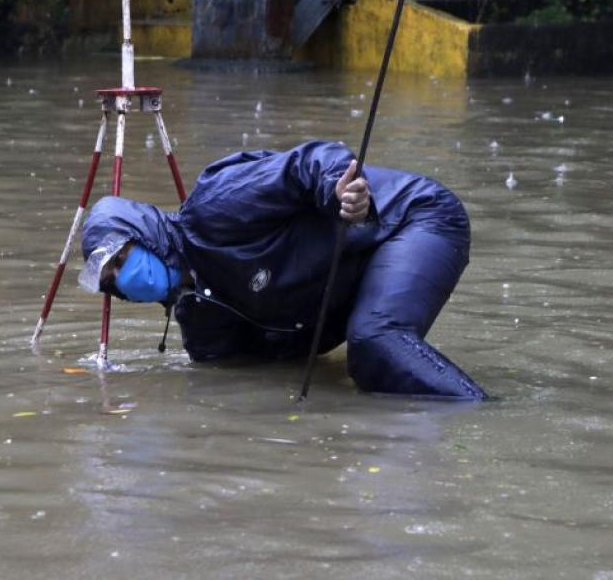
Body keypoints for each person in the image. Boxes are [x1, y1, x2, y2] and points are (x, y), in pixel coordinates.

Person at [77, 140, 486, 398]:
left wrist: (339, 193)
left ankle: (483, 417)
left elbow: (306, 163)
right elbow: (256, 378)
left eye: (122, 259)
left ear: (146, 235)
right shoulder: (202, 329)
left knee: (375, 340)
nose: (125, 278)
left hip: (411, 218)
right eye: (113, 280)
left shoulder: (213, 207)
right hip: (357, 271)